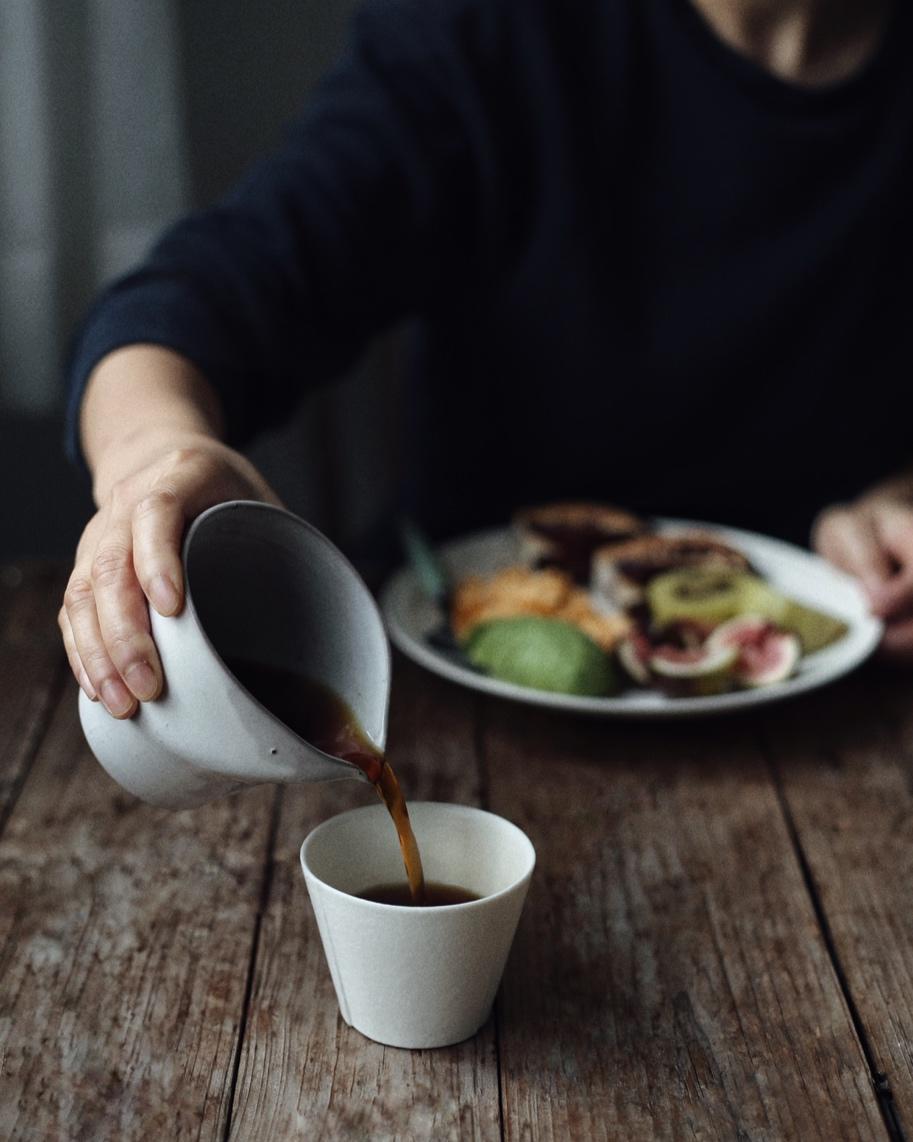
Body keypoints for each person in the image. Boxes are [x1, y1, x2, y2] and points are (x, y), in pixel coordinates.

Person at [61, 0, 913, 719]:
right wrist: (154, 459)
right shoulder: (492, 31)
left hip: (850, 715)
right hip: (450, 698)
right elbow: (206, 291)